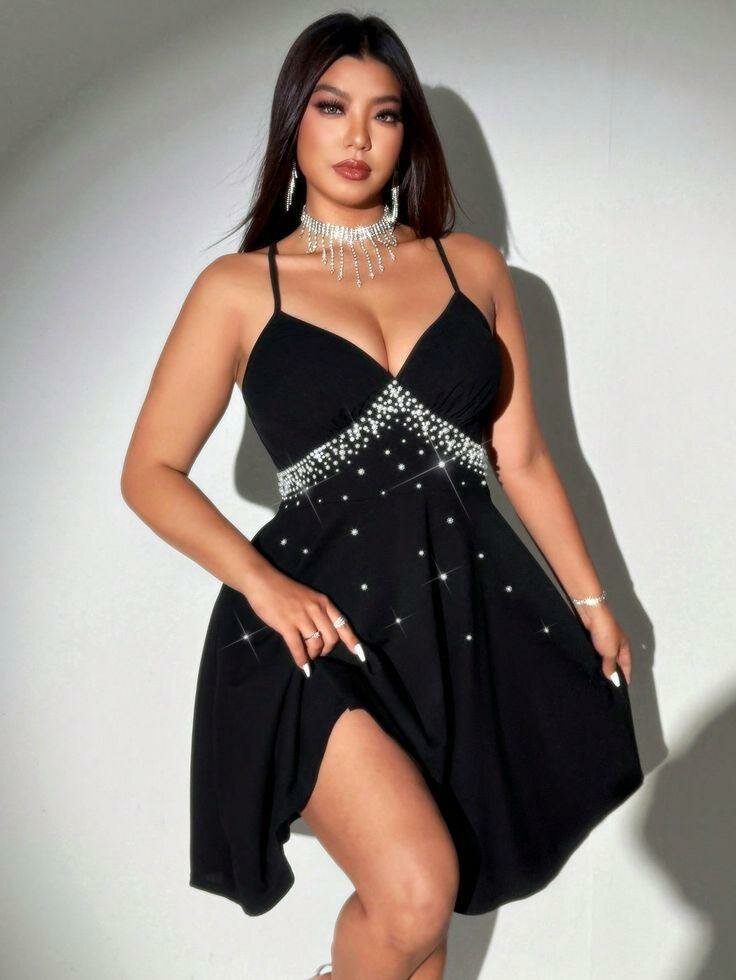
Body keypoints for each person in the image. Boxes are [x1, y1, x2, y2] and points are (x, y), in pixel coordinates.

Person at [120, 12, 644, 980]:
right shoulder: (239, 287)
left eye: (385, 113)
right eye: (332, 108)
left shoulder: (471, 268)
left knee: (424, 929)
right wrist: (264, 586)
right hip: (308, 629)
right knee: (413, 891)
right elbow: (148, 472)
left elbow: (523, 457)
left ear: (408, 135)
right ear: (294, 122)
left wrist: (591, 598)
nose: (357, 136)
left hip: (459, 622)